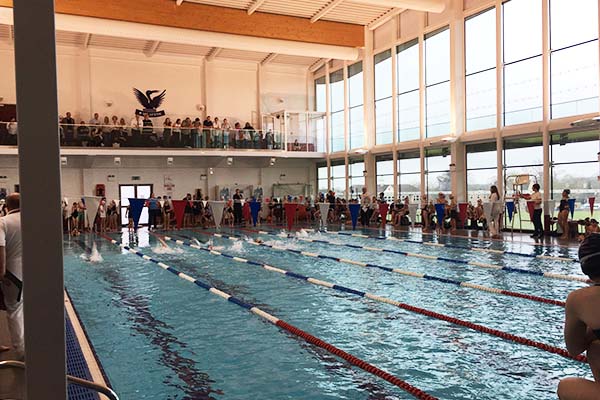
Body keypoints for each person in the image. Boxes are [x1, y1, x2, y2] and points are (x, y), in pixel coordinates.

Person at [557, 234, 600, 399]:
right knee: (596, 350)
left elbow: (574, 348)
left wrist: (592, 332)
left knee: (565, 387)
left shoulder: (579, 299)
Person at [0, 193, 24, 360]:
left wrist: (1, 274)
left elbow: (0, 250)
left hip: (12, 273)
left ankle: (22, 351)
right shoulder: (33, 219)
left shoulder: (3, 222)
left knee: (14, 311)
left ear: (6, 206)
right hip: (33, 269)